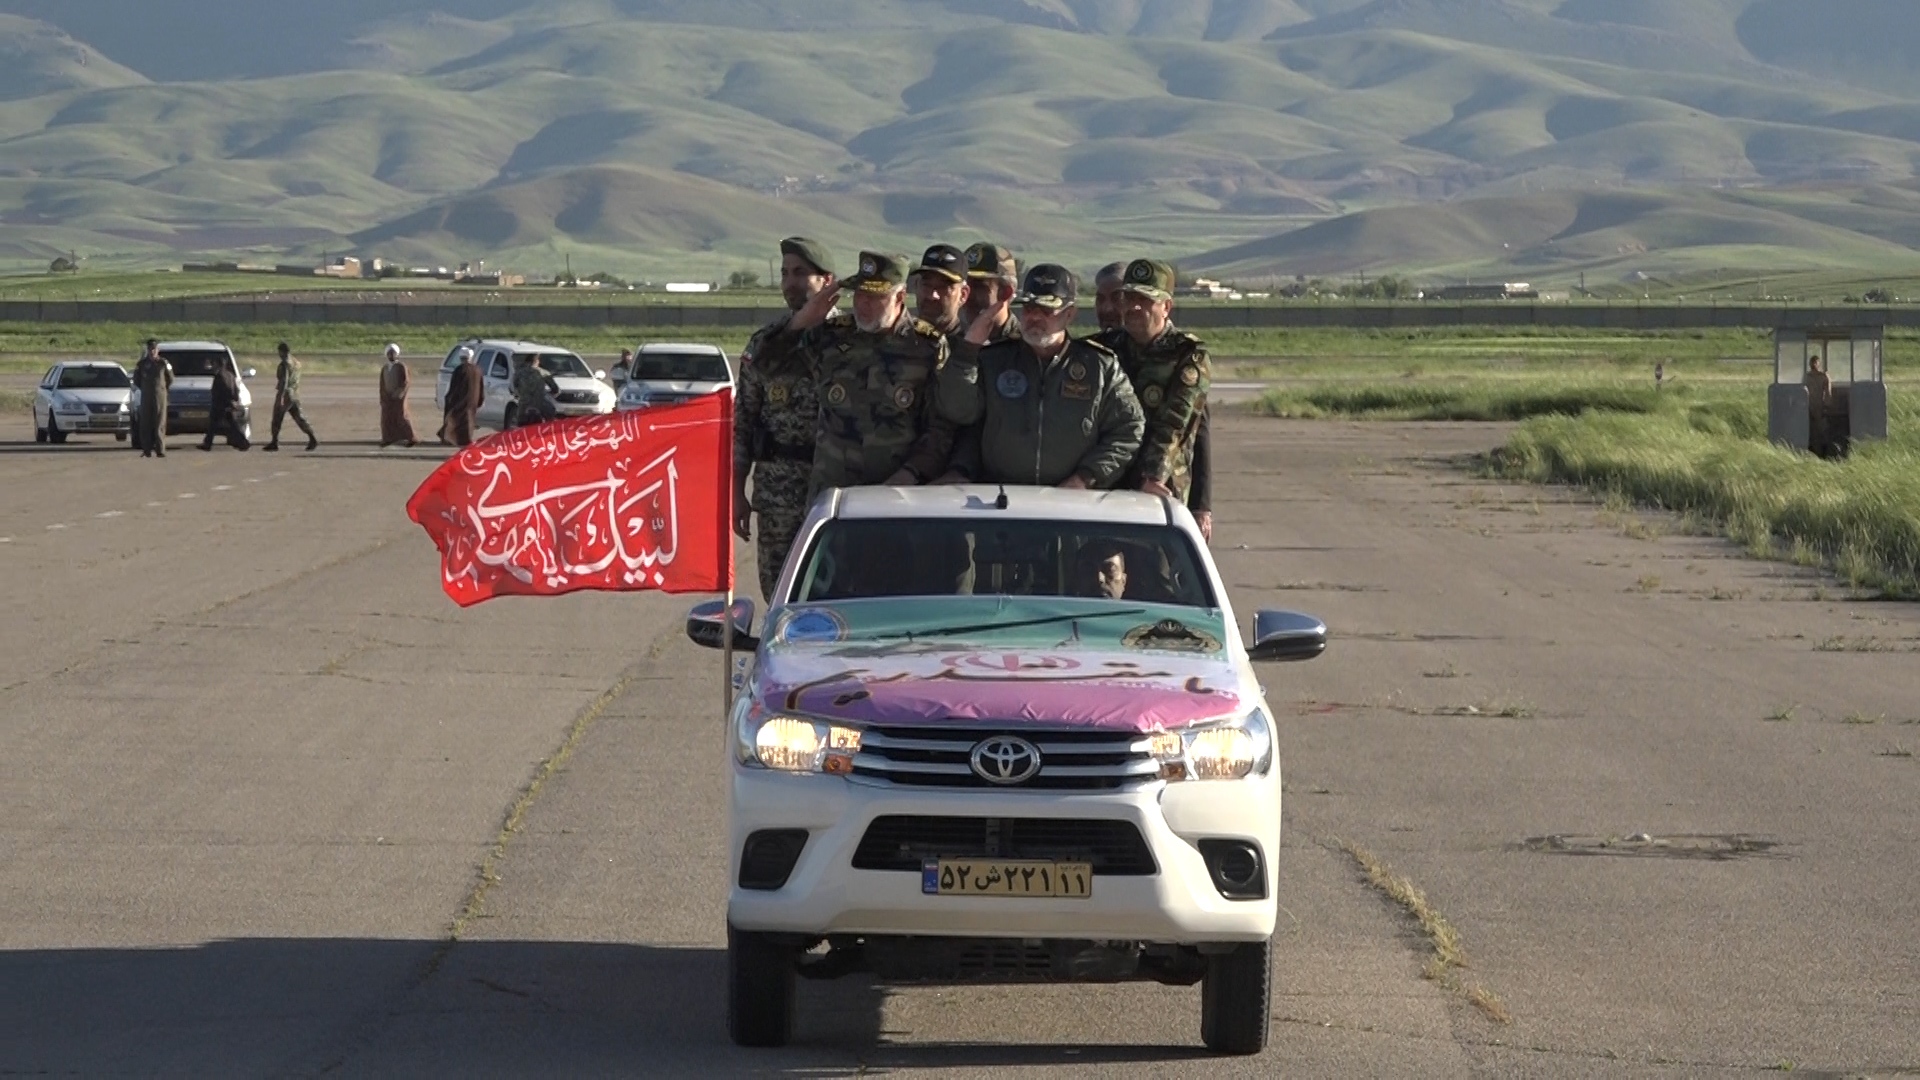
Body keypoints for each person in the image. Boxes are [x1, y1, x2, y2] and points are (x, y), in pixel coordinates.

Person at [940, 263, 1144, 489]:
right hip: (1000, 497)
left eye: (1047, 311)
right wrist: (968, 350)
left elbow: (1129, 428)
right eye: (1029, 308)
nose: (1035, 317)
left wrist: (1087, 477)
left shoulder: (1099, 367)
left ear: (1069, 314)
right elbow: (957, 411)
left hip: (1073, 501)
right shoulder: (994, 361)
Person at [769, 250, 955, 497]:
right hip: (834, 495)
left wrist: (911, 473)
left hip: (898, 496)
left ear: (900, 297)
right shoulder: (830, 337)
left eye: (875, 296)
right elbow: (766, 366)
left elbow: (940, 429)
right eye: (860, 293)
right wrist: (801, 321)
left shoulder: (927, 347)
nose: (863, 303)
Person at [734, 236, 833, 602]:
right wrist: (737, 492)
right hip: (777, 490)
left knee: (833, 592)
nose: (791, 282)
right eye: (785, 273)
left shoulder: (848, 339)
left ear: (826, 280)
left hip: (832, 486)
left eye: (801, 273)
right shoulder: (767, 343)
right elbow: (743, 421)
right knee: (778, 594)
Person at [1096, 259, 1214, 539]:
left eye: (1146, 300)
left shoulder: (1188, 355)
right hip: (1105, 483)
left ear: (1166, 307)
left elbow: (1174, 424)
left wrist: (1153, 477)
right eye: (1130, 298)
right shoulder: (1104, 349)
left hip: (1160, 488)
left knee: (1156, 574)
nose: (1135, 307)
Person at [961, 242, 1021, 345]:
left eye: (978, 287)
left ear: (1006, 293)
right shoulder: (951, 339)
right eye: (965, 286)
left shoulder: (1024, 347)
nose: (968, 295)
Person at [913, 244, 971, 347]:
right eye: (926, 285)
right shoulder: (896, 343)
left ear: (963, 294)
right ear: (917, 286)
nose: (932, 295)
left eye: (943, 287)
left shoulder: (974, 348)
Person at [264, 342, 318, 452]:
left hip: (286, 394)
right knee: (300, 418)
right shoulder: (296, 362)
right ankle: (312, 437)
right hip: (295, 393)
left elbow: (284, 381)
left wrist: (280, 398)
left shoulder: (285, 364)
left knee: (277, 419)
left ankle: (275, 441)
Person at [199, 356, 250, 451]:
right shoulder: (230, 375)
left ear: (218, 364)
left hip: (221, 405)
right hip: (228, 404)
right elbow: (236, 389)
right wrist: (234, 399)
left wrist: (225, 401)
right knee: (231, 425)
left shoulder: (220, 376)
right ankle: (243, 442)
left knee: (215, 425)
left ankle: (208, 444)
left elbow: (222, 390)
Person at [132, 338, 172, 458]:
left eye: (154, 349)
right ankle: (147, 449)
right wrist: (146, 389)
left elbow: (170, 379)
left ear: (157, 350)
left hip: (160, 396)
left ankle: (160, 449)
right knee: (145, 423)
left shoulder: (163, 363)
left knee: (160, 422)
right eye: (150, 349)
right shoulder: (142, 364)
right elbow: (137, 380)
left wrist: (162, 389)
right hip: (146, 396)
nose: (152, 351)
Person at [439, 346, 484, 447]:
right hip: (473, 399)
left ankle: (455, 438)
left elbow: (454, 386)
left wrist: (450, 398)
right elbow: (481, 386)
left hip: (461, 399)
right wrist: (480, 399)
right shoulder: (477, 369)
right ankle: (464, 439)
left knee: (455, 419)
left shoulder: (459, 369)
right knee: (468, 419)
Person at [379, 343, 416, 447]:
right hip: (387, 397)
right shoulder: (385, 368)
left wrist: (399, 394)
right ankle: (388, 438)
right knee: (387, 418)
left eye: (393, 353)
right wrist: (383, 396)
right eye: (389, 353)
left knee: (402, 416)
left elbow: (406, 382)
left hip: (399, 398)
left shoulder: (401, 366)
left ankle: (411, 438)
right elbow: (382, 384)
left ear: (397, 354)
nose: (391, 355)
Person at [509, 351, 559, 428]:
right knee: (550, 420)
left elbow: (512, 387)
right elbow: (555, 389)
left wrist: (518, 394)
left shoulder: (519, 373)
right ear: (537, 361)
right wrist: (552, 393)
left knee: (520, 426)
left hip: (524, 405)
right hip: (540, 404)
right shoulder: (543, 372)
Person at [1805, 353, 1833, 456]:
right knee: (1812, 431)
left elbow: (1828, 392)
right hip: (1810, 407)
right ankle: (1813, 452)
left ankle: (1822, 453)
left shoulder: (1822, 376)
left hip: (1819, 407)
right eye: (1812, 362)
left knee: (1821, 431)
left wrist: (1827, 405)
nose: (1813, 365)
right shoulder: (1807, 377)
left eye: (1815, 362)